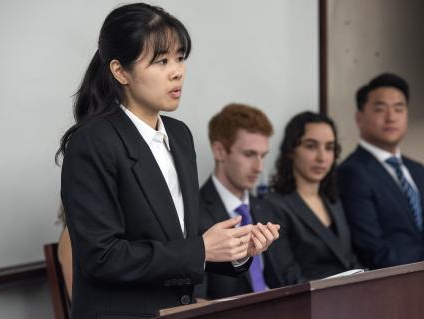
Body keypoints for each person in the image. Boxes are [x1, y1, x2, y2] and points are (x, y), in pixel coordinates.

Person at [56, 4, 279, 318]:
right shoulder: (93, 142)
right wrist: (202, 249)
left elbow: (186, 242)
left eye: (180, 58)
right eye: (161, 61)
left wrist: (238, 250)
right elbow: (101, 257)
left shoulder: (179, 135)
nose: (177, 71)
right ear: (120, 71)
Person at [338, 73, 424, 311]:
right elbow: (373, 249)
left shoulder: (417, 170)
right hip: (396, 289)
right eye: (380, 109)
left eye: (399, 108)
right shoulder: (352, 172)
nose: (391, 117)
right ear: (359, 118)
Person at [196, 103, 293, 299]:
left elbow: (288, 278)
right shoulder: (193, 213)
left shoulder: (268, 208)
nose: (259, 167)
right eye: (249, 154)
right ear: (219, 151)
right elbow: (195, 300)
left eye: (263, 156)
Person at [265, 111, 361, 281]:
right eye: (311, 146)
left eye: (329, 148)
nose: (322, 157)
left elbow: (349, 259)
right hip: (310, 304)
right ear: (290, 150)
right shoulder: (274, 205)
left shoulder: (333, 199)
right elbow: (287, 278)